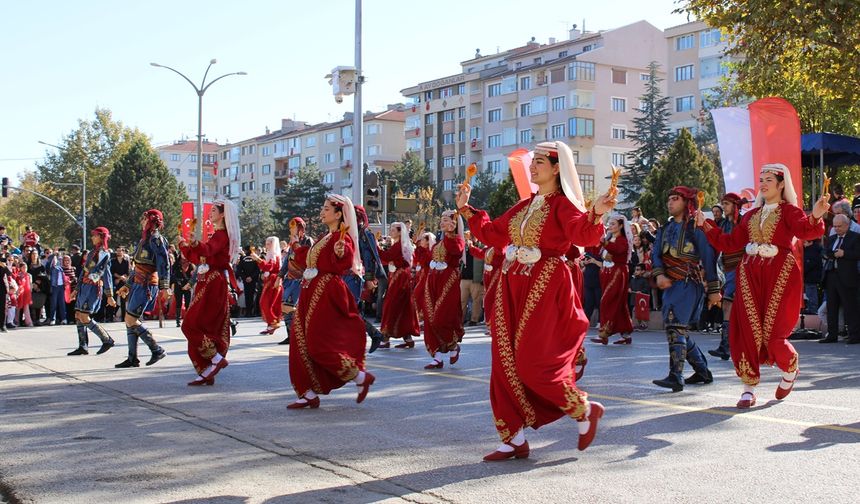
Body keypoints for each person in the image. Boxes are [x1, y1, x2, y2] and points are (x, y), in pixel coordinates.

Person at [457, 140, 614, 460]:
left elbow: (582, 234)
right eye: (533, 161)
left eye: (539, 161)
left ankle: (583, 410)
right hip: (511, 286)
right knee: (503, 362)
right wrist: (465, 209)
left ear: (557, 168)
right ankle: (512, 437)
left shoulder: (563, 205)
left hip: (544, 287)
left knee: (533, 361)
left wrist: (595, 212)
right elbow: (493, 232)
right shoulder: (526, 205)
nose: (532, 166)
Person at [698, 163, 829, 407]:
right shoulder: (751, 215)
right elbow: (730, 243)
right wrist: (706, 224)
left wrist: (817, 214)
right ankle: (748, 388)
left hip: (780, 275)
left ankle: (789, 370)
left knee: (773, 333)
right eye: (761, 179)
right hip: (749, 276)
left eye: (769, 179)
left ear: (781, 184)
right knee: (746, 328)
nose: (763, 183)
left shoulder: (789, 211)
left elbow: (806, 230)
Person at [287, 194, 375, 408]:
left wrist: (340, 253)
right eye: (323, 207)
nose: (322, 211)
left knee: (318, 344)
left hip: (325, 292)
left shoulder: (341, 238)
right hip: (310, 291)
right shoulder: (324, 237)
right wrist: (297, 246)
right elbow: (308, 260)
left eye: (327, 209)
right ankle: (306, 393)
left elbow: (344, 258)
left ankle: (359, 377)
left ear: (338, 214)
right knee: (299, 341)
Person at [651, 186, 720, 392]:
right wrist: (660, 275)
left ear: (686, 203)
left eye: (675, 199)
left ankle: (676, 376)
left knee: (675, 326)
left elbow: (709, 257)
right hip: (671, 285)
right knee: (676, 329)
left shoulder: (695, 228)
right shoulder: (664, 229)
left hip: (689, 283)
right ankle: (702, 370)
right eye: (669, 199)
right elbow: (655, 254)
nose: (670, 203)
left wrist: (714, 289)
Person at [179, 198, 241, 385]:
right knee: (200, 325)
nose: (210, 213)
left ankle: (214, 359)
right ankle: (207, 369)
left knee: (191, 324)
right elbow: (200, 257)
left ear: (223, 214)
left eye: (214, 210)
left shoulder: (221, 235)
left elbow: (206, 250)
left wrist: (196, 243)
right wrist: (185, 246)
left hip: (214, 283)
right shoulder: (216, 235)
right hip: (207, 282)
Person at [115, 210, 170, 368]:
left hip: (146, 285)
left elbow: (164, 263)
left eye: (144, 218)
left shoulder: (156, 239)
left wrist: (164, 287)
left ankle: (157, 349)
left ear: (151, 221)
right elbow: (137, 267)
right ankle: (132, 358)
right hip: (138, 283)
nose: (142, 221)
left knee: (131, 319)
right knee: (129, 320)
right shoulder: (144, 240)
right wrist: (127, 285)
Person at [420, 210, 466, 370]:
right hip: (433, 281)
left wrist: (449, 234)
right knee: (429, 316)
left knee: (441, 317)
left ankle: (453, 346)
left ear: (454, 224)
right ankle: (437, 357)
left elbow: (456, 251)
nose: (442, 222)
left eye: (446, 220)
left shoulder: (457, 240)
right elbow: (427, 259)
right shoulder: (439, 243)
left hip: (448, 281)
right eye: (442, 220)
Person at [705, 193, 746, 360]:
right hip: (729, 269)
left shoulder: (743, 222)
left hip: (741, 269)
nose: (724, 207)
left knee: (732, 306)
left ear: (735, 205)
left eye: (727, 204)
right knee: (729, 307)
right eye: (723, 204)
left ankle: (730, 346)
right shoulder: (724, 224)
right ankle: (727, 346)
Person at [66, 227, 117, 356]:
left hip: (93, 289)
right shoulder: (92, 252)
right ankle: (83, 346)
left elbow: (106, 274)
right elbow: (84, 272)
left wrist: (109, 295)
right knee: (78, 315)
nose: (92, 238)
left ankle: (107, 339)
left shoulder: (104, 253)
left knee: (84, 316)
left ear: (101, 237)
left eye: (95, 235)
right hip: (84, 287)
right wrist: (76, 289)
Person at [343, 205, 386, 352]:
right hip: (346, 275)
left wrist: (369, 278)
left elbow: (369, 258)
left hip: (356, 276)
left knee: (351, 310)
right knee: (350, 310)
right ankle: (369, 336)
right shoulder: (351, 231)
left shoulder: (364, 233)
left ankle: (371, 335)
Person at [818, 214, 860, 344]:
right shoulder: (831, 238)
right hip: (831, 275)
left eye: (839, 226)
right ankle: (832, 335)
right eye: (835, 226)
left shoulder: (855, 237)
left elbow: (858, 254)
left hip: (847, 276)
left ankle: (854, 336)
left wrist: (844, 253)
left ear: (847, 225)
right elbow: (825, 252)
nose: (836, 229)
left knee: (850, 307)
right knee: (832, 307)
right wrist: (834, 254)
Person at [592, 215, 634, 345]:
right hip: (607, 273)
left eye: (613, 224)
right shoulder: (610, 238)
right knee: (619, 303)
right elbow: (598, 250)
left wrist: (604, 242)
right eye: (609, 224)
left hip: (617, 273)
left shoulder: (622, 240)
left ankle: (604, 333)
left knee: (607, 300)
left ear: (621, 226)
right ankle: (625, 334)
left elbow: (618, 249)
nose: (610, 226)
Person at [378, 222, 419, 347]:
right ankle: (408, 338)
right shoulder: (401, 244)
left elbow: (386, 257)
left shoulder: (399, 245)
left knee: (391, 305)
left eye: (393, 229)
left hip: (400, 278)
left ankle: (385, 338)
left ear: (400, 232)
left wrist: (375, 247)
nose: (391, 231)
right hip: (401, 276)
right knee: (403, 306)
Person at [278, 217, 313, 345]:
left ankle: (301, 334)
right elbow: (287, 260)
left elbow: (308, 259)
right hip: (290, 279)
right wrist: (279, 276)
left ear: (300, 228)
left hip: (301, 279)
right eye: (290, 227)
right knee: (285, 306)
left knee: (297, 308)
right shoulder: (291, 242)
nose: (291, 229)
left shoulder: (308, 241)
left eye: (293, 227)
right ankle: (291, 335)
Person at [252, 236, 283, 335]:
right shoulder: (271, 254)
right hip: (271, 282)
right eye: (266, 243)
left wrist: (258, 260)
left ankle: (273, 322)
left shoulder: (273, 255)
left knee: (265, 303)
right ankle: (271, 325)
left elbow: (268, 267)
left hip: (273, 282)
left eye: (269, 243)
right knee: (270, 304)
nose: (267, 245)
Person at [171, 255, 194, 327]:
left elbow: (193, 276)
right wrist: (177, 281)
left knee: (188, 303)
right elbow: (172, 274)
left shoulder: (190, 265)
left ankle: (188, 320)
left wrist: (189, 284)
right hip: (178, 286)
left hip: (187, 286)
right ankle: (178, 320)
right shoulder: (176, 264)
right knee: (178, 303)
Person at [109, 247, 130, 321]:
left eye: (120, 251)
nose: (118, 252)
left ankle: (124, 317)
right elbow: (112, 272)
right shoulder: (113, 261)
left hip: (123, 282)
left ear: (123, 252)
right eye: (117, 251)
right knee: (113, 298)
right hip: (115, 282)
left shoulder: (126, 261)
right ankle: (111, 316)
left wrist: (121, 278)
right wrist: (118, 278)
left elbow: (127, 272)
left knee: (123, 299)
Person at [630, 264, 651, 330]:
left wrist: (641, 291)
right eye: (635, 270)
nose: (636, 271)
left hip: (642, 300)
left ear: (643, 271)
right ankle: (638, 324)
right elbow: (630, 286)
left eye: (638, 270)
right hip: (634, 298)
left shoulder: (644, 280)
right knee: (634, 311)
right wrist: (629, 289)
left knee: (640, 312)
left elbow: (647, 288)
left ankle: (643, 324)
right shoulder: (632, 280)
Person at [14, 262, 33, 327]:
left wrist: (30, 291)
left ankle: (28, 322)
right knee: (18, 307)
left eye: (26, 267)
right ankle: (16, 321)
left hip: (27, 292)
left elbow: (30, 284)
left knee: (26, 308)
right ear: (20, 268)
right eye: (23, 267)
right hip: (20, 292)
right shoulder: (18, 275)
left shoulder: (29, 275)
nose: (25, 269)